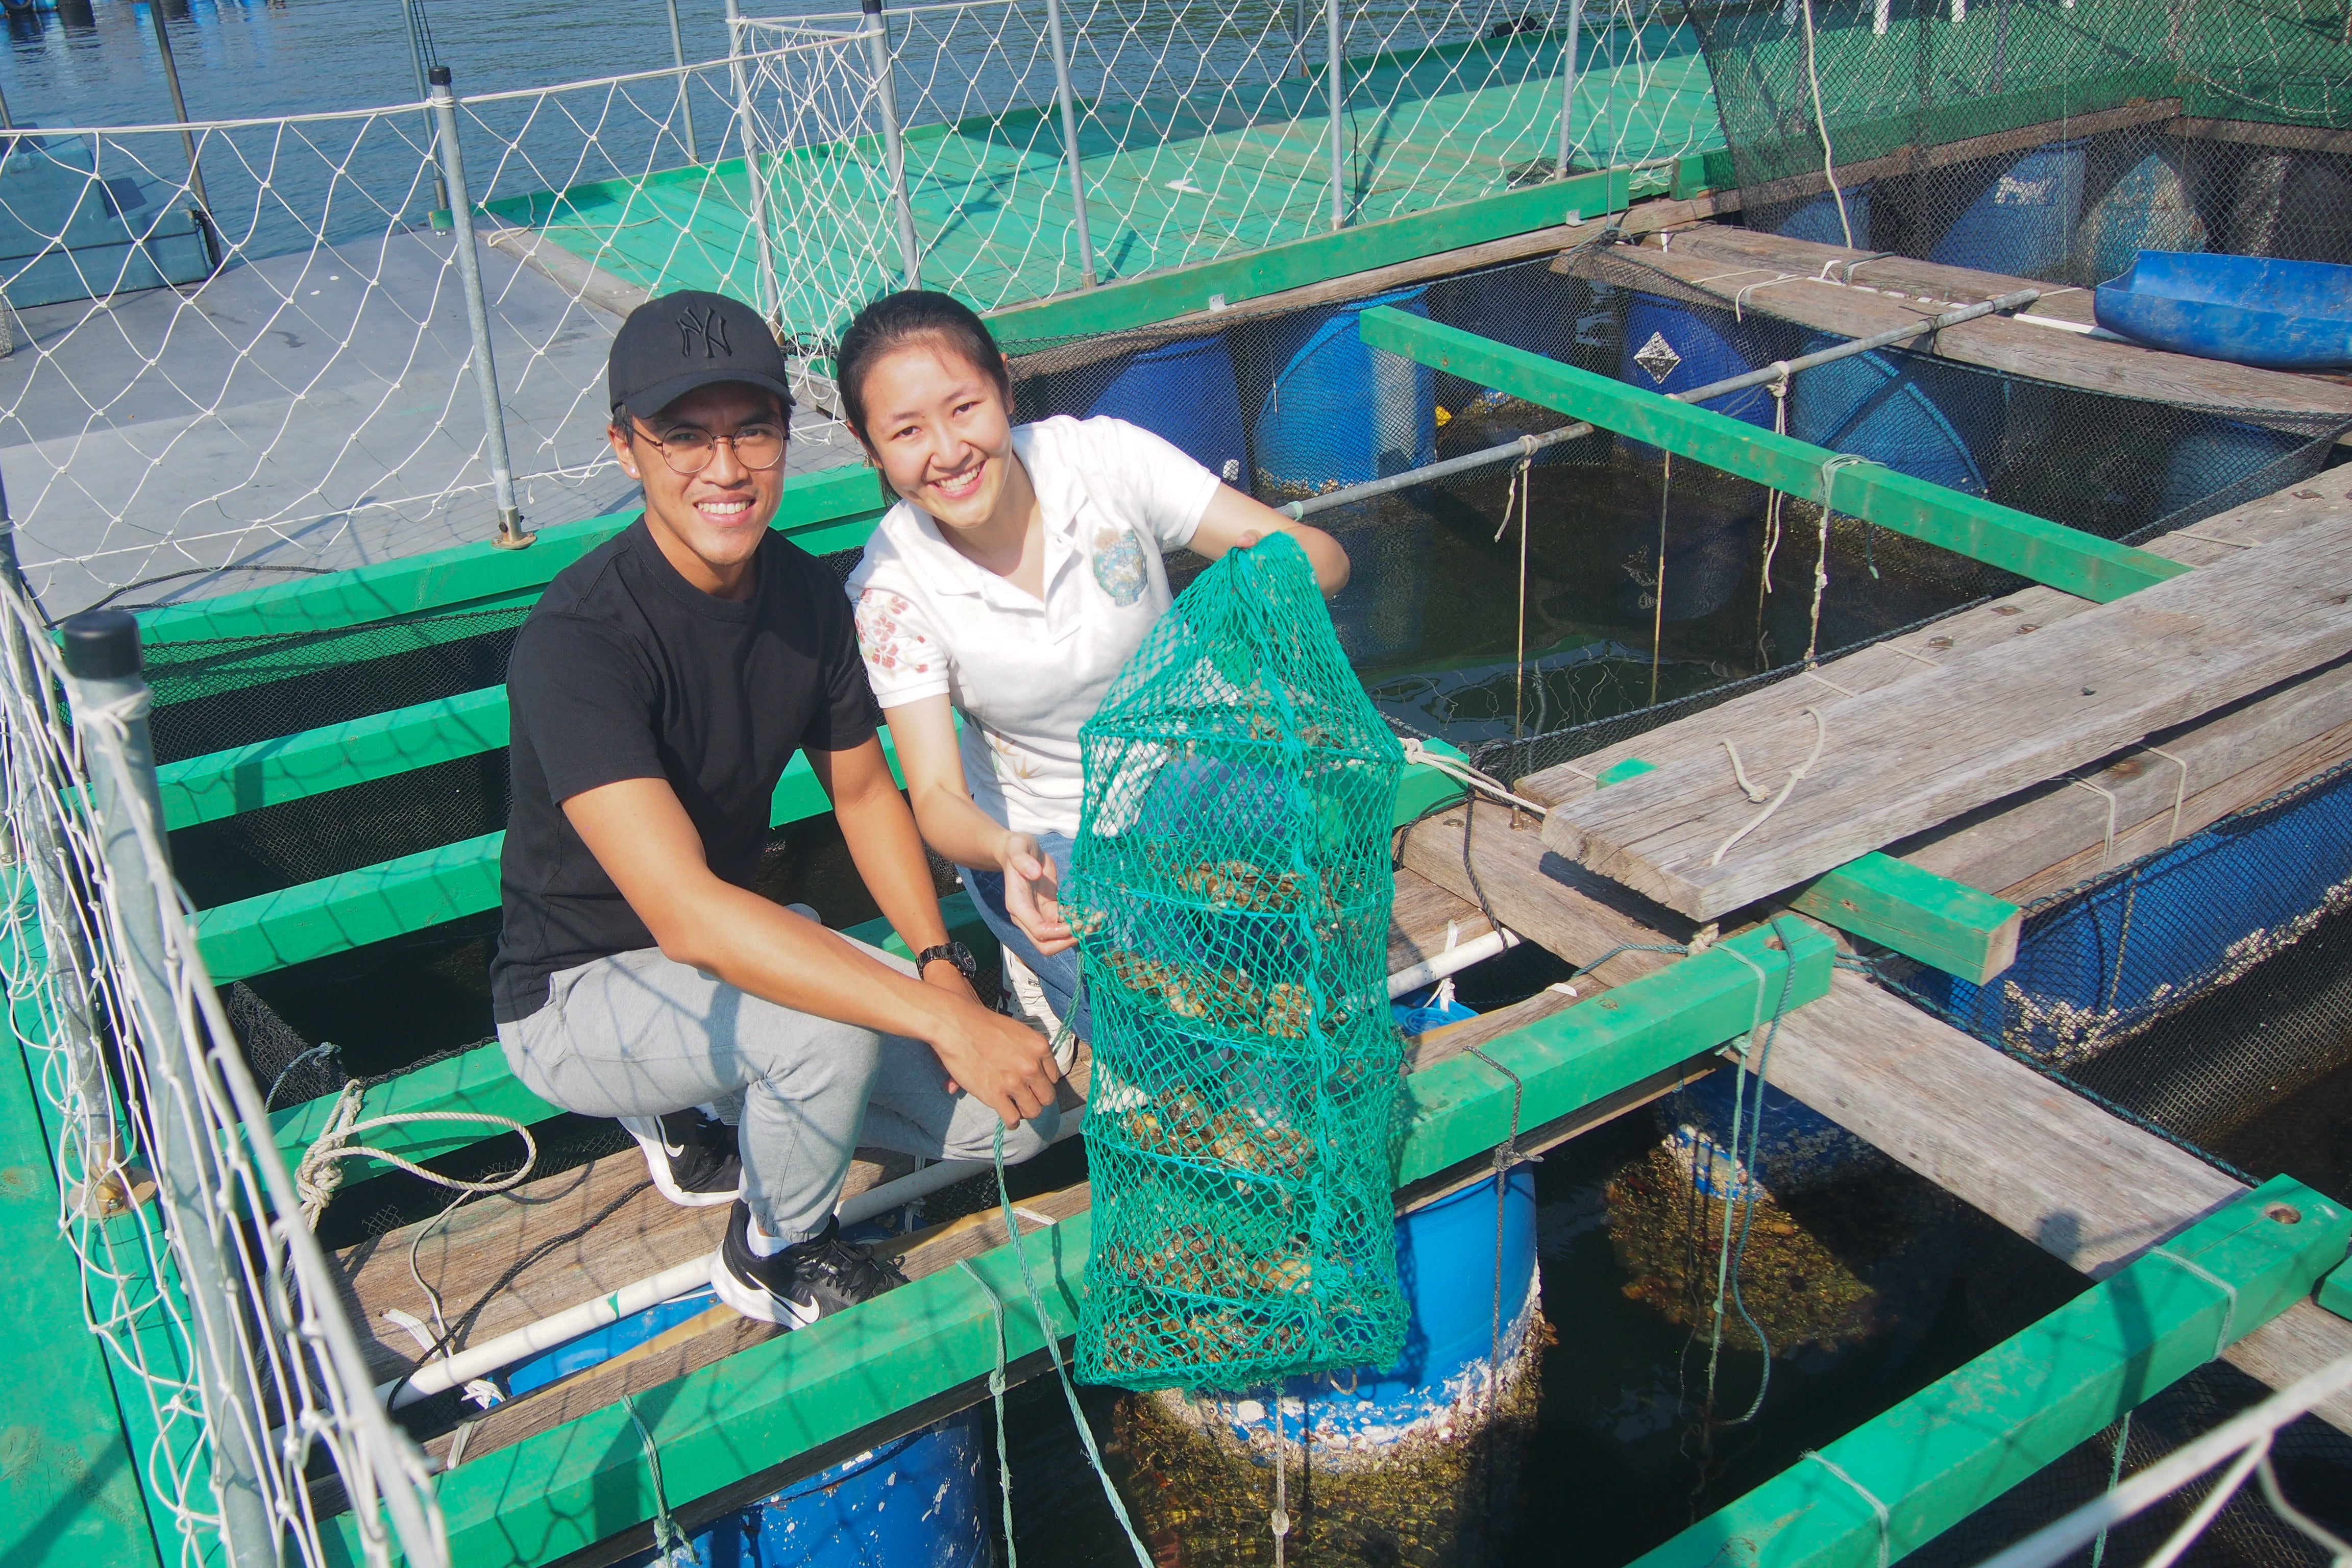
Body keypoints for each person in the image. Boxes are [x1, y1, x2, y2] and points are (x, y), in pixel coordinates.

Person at [491, 288, 1063, 1329]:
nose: (725, 470)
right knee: (816, 1037)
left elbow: (858, 789)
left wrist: (941, 967)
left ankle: (706, 1098)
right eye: (683, 438)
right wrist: (937, 1019)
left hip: (731, 960)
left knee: (1013, 1125)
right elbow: (686, 916)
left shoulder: (802, 596)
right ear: (625, 448)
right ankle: (774, 1247)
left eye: (751, 431)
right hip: (575, 994)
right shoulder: (578, 642)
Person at [839, 291, 1349, 1040]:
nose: (947, 453)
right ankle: (1042, 973)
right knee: (1177, 1026)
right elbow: (939, 798)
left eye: (964, 408)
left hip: (1191, 771)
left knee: (1298, 914)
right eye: (907, 431)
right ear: (869, 446)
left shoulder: (1102, 458)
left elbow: (1325, 562)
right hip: (1047, 835)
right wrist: (1001, 847)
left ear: (1005, 389)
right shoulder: (890, 589)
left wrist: (1253, 610)